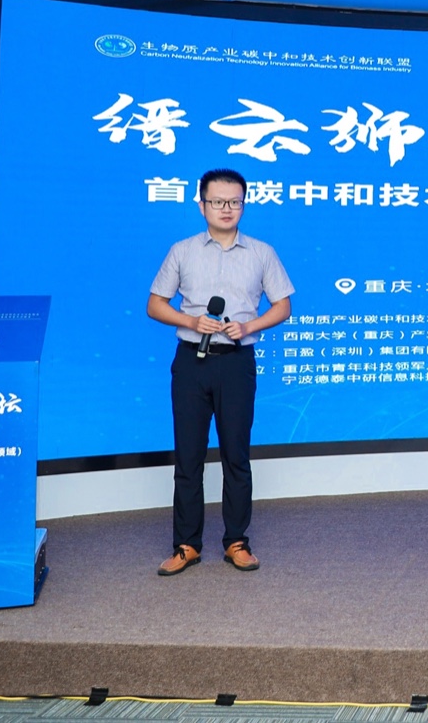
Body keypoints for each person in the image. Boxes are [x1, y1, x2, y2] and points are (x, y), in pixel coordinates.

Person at [146, 168, 293, 576]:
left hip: (236, 362)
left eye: (234, 202)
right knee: (188, 456)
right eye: (217, 201)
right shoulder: (182, 251)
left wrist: (249, 326)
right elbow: (155, 304)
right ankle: (186, 545)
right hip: (191, 362)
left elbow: (283, 305)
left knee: (236, 455)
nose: (226, 208)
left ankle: (237, 541)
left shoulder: (262, 252)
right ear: (202, 205)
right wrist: (191, 321)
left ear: (243, 205)